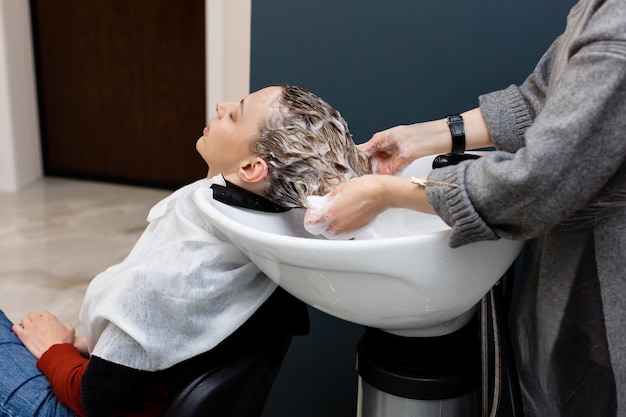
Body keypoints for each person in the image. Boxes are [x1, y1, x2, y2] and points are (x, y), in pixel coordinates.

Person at [304, 0, 626, 416]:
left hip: (605, 284)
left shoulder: (618, 31)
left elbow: (535, 186)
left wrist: (386, 194)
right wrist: (424, 137)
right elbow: (542, 101)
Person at [1, 85, 371, 417]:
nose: (221, 105)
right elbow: (176, 344)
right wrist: (92, 346)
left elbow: (91, 399)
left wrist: (52, 347)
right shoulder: (278, 234)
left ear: (251, 167)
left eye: (237, 113)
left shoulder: (176, 278)